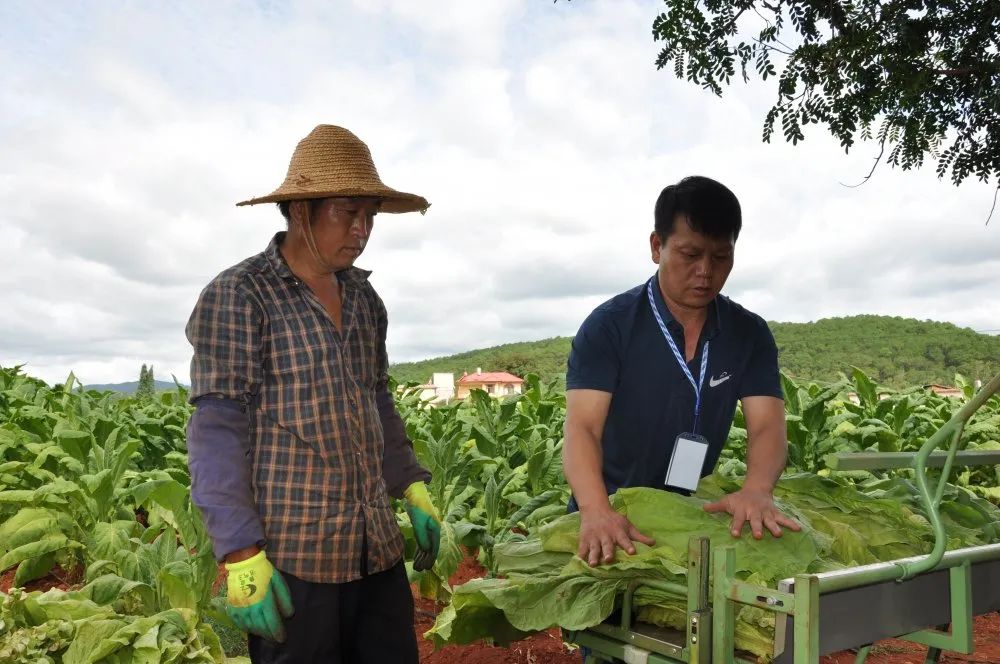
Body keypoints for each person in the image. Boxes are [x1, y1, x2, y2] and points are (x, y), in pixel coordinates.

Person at [185, 124, 440, 663]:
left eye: (369, 214)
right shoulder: (241, 294)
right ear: (301, 210)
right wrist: (238, 551)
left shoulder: (366, 299)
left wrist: (411, 486)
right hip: (295, 559)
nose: (362, 228)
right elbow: (217, 429)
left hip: (376, 551)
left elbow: (378, 402)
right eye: (347, 212)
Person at [562, 175, 800, 569]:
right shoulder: (609, 326)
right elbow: (582, 428)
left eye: (721, 257)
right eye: (690, 255)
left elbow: (767, 426)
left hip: (688, 517)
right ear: (657, 247)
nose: (706, 271)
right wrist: (594, 509)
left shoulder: (748, 333)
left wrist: (757, 490)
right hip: (610, 518)